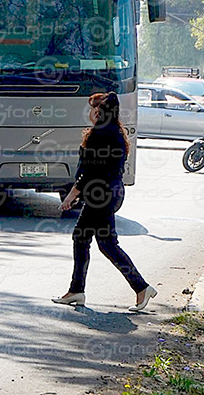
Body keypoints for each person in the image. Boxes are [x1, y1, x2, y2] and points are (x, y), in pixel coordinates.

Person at [54, 92, 157, 311]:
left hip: (100, 195)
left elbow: (90, 170)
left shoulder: (99, 134)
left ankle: (139, 287)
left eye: (93, 108)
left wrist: (72, 195)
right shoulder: (117, 132)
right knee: (93, 240)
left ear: (99, 112)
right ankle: (78, 290)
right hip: (110, 193)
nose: (90, 112)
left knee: (94, 241)